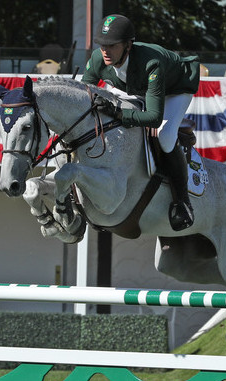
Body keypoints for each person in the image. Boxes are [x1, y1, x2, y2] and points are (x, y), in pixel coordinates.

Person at [81, 14, 201, 231]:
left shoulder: (150, 63)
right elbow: (82, 95)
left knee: (164, 136)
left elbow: (154, 118)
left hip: (174, 90)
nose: (105, 51)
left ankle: (182, 202)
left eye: (112, 45)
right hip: (137, 87)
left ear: (128, 45)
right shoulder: (99, 59)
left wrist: (119, 114)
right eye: (102, 45)